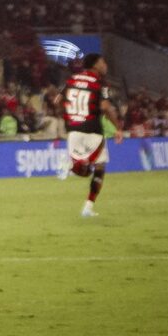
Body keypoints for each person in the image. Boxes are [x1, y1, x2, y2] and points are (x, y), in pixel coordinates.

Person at [62, 53, 111, 217]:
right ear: (96, 64)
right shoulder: (100, 83)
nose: (105, 64)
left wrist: (69, 118)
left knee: (86, 167)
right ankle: (88, 207)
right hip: (93, 129)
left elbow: (57, 100)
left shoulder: (72, 79)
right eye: (103, 61)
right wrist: (117, 126)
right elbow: (104, 107)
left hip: (74, 128)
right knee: (99, 168)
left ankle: (71, 165)